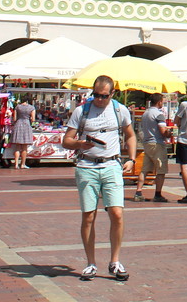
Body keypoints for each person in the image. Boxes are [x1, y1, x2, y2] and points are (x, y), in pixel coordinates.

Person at [61, 76, 137, 282]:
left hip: (112, 165)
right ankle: (90, 263)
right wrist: (79, 144)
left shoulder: (120, 110)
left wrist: (131, 159)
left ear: (112, 94)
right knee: (88, 216)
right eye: (96, 95)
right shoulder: (82, 111)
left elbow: (130, 135)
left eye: (104, 96)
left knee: (117, 213)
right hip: (87, 167)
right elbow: (66, 141)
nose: (100, 99)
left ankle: (115, 261)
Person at [134, 94, 170, 203]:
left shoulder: (146, 113)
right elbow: (163, 131)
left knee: (144, 169)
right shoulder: (159, 115)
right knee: (161, 169)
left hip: (147, 143)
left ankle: (138, 192)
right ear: (159, 102)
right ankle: (158, 194)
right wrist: (169, 133)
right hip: (157, 143)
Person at [9, 94, 36, 169]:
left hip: (18, 124)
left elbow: (14, 119)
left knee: (17, 147)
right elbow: (33, 119)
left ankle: (16, 164)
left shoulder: (17, 107)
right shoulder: (31, 107)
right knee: (24, 147)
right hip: (26, 125)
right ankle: (22, 164)